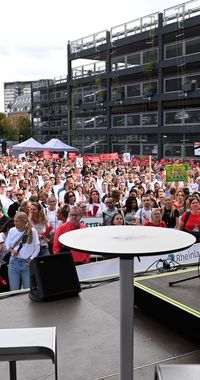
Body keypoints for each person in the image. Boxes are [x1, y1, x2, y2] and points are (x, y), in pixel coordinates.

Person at [4, 212, 40, 290]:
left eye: (17, 221)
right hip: (13, 262)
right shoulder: (12, 230)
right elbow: (7, 244)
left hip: (26, 263)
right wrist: (12, 251)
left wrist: (31, 259)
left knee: (27, 289)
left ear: (24, 222)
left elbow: (37, 247)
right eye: (14, 221)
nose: (15, 223)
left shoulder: (32, 231)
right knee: (14, 290)